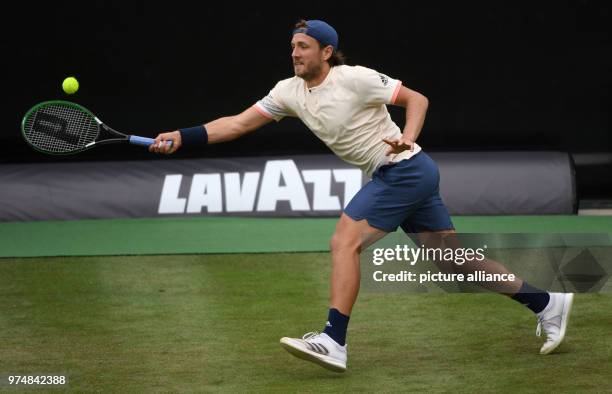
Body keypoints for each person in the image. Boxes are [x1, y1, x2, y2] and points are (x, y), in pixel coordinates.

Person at [150, 19, 574, 373]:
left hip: (404, 170)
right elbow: (238, 124)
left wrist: (406, 138)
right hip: (404, 175)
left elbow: (416, 99)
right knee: (453, 262)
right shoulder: (287, 91)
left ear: (327, 52)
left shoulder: (355, 79)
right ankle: (547, 303)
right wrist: (183, 137)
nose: (295, 53)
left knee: (343, 242)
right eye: (293, 47)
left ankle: (334, 339)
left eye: (304, 47)